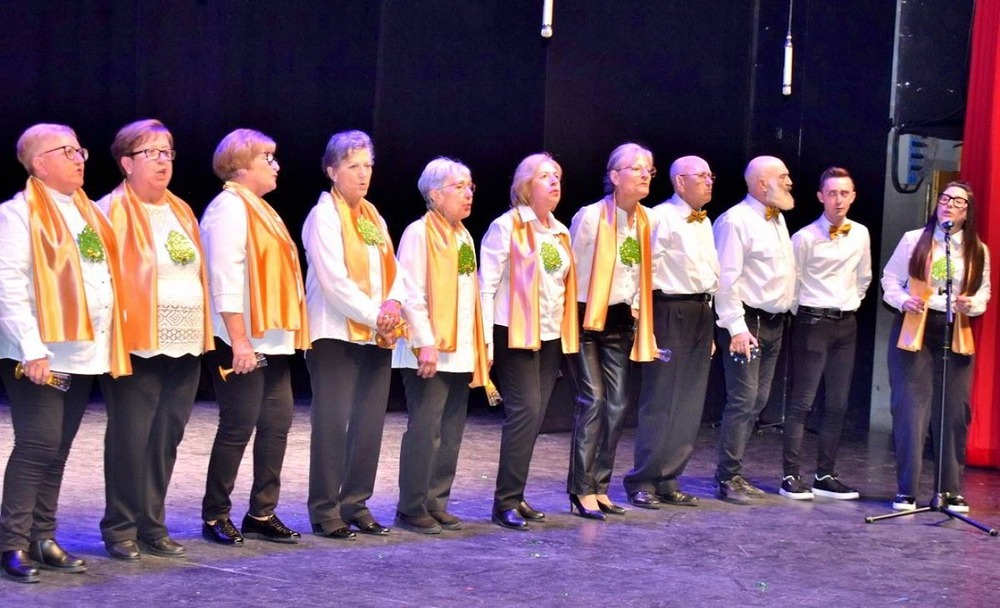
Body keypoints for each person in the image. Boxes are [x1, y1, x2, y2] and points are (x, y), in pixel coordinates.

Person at [0, 124, 130, 583]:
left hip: (81, 349)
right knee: (37, 444)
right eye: (67, 151)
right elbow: (9, 286)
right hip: (36, 353)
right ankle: (12, 543)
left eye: (80, 149)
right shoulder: (17, 215)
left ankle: (42, 535)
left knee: (57, 447)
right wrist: (32, 349)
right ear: (39, 163)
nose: (79, 158)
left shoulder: (89, 213)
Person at [95, 119, 213, 560]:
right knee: (130, 438)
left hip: (183, 343)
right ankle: (120, 527)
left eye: (168, 152)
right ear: (126, 163)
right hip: (137, 344)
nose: (163, 161)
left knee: (165, 438)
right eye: (151, 153)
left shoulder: (181, 211)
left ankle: (152, 524)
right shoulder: (108, 210)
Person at [199, 129, 310, 545]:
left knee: (277, 424)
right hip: (240, 340)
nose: (276, 165)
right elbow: (224, 277)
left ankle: (262, 513)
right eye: (268, 157)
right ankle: (215, 515)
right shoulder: (229, 209)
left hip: (271, 339)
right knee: (238, 425)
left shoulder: (263, 210)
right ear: (242, 166)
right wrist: (240, 341)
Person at [303, 130, 402, 540]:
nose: (363, 175)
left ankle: (355, 503)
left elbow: (393, 270)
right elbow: (333, 281)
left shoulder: (373, 216)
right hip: (335, 335)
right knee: (333, 423)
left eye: (368, 166)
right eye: (353, 166)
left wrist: (393, 307)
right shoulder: (323, 215)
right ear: (332, 170)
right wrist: (375, 314)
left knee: (368, 424)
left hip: (375, 334)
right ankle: (325, 510)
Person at [479, 153, 578, 530]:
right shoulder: (507, 227)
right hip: (513, 331)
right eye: (544, 176)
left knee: (534, 416)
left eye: (558, 176)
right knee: (524, 412)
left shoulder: (559, 230)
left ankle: (516, 496)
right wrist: (485, 341)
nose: (554, 182)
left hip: (549, 333)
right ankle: (504, 500)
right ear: (525, 186)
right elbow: (485, 287)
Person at [392, 157, 490, 534]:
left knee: (451, 430)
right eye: (459, 187)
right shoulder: (418, 233)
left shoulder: (464, 235)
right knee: (426, 428)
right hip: (428, 350)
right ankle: (411, 506)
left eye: (470, 187)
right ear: (435, 194)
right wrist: (426, 344)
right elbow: (410, 294)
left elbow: (470, 293)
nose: (468, 194)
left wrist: (480, 346)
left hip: (460, 349)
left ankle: (437, 500)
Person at [882, 181, 990, 513]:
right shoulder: (915, 240)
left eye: (958, 201)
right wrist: (903, 300)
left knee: (955, 413)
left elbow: (984, 293)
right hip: (916, 329)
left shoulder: (976, 249)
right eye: (945, 199)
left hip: (953, 329)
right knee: (912, 411)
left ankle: (950, 490)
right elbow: (889, 280)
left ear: (967, 212)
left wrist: (970, 303)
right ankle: (906, 490)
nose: (949, 205)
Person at [565, 142, 657, 520]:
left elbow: (641, 274)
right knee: (594, 403)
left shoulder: (647, 220)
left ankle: (600, 486)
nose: (644, 173)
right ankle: (580, 489)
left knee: (618, 406)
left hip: (620, 320)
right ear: (614, 176)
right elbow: (568, 270)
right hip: (586, 318)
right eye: (634, 168)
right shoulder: (590, 217)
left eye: (648, 168)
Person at [623, 155, 719, 509]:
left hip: (699, 310)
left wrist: (709, 326)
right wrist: (641, 319)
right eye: (702, 176)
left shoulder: (704, 223)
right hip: (668, 310)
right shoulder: (660, 216)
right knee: (662, 396)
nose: (710, 181)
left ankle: (669, 477)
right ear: (680, 182)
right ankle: (643, 477)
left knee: (690, 400)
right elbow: (645, 268)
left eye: (711, 175)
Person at [780, 167, 871, 501]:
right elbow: (792, 282)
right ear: (820, 196)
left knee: (837, 404)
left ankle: (825, 473)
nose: (838, 200)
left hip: (845, 324)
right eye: (832, 193)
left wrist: (849, 304)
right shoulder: (804, 237)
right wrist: (808, 313)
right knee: (802, 401)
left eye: (844, 193)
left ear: (853, 196)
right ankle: (790, 474)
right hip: (813, 322)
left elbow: (864, 277)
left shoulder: (860, 233)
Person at [713, 155, 796, 505]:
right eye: (783, 176)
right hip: (747, 323)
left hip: (774, 322)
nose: (790, 181)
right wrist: (736, 327)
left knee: (758, 401)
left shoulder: (776, 219)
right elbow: (726, 279)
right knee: (744, 400)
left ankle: (735, 471)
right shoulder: (735, 221)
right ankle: (727, 475)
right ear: (763, 184)